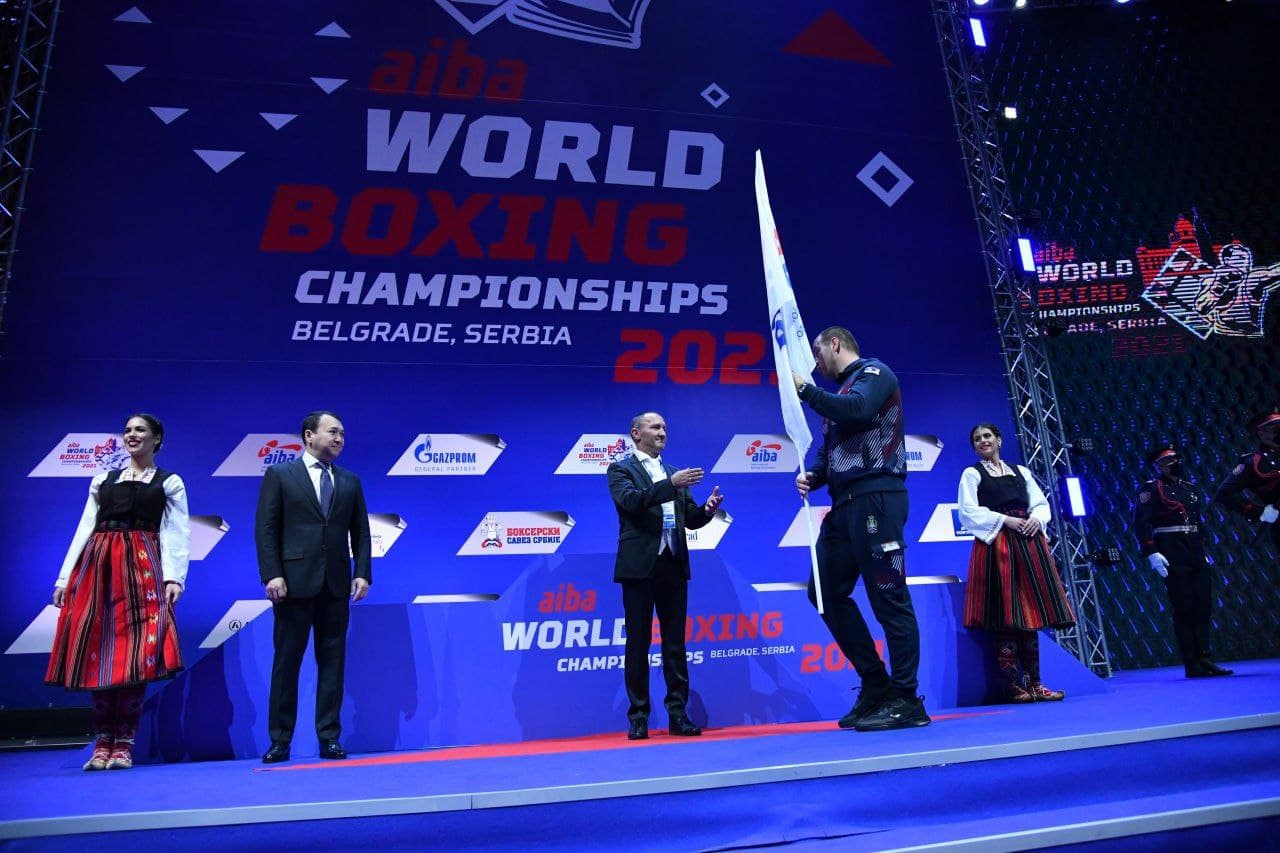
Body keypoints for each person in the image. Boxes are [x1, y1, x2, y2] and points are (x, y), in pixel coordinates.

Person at [793, 327, 928, 732]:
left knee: (889, 597)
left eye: (817, 352)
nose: (815, 362)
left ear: (835, 344)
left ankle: (907, 699)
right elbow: (833, 446)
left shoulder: (874, 374)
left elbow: (857, 411)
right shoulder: (841, 392)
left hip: (878, 499)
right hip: (844, 505)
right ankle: (876, 684)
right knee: (824, 593)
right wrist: (815, 475)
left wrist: (806, 391)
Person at [46, 413, 189, 771]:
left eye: (140, 430)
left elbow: (176, 532)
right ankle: (101, 743)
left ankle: (124, 742)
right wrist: (64, 579)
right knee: (101, 651)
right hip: (99, 570)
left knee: (135, 655)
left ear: (157, 438)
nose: (131, 435)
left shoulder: (168, 481)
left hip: (142, 570)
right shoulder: (103, 480)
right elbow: (84, 528)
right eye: (127, 430)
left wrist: (174, 578)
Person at [255, 411, 372, 763]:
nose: (339, 438)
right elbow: (266, 529)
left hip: (335, 585)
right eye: (333, 432)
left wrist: (362, 572)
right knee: (286, 663)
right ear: (309, 435)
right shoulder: (280, 475)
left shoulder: (350, 481)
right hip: (292, 585)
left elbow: (361, 533)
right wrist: (271, 574)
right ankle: (280, 741)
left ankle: (329, 738)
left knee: (333, 664)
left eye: (342, 434)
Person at [607, 412, 724, 741]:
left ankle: (678, 714)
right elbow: (631, 502)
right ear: (636, 433)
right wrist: (671, 485)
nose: (662, 433)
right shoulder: (620, 469)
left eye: (665, 428)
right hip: (639, 566)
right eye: (655, 427)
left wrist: (707, 511)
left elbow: (690, 519)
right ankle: (638, 717)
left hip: (673, 564)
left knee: (675, 643)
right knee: (638, 642)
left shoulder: (674, 473)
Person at [957, 424, 1075, 702]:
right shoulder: (972, 474)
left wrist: (1036, 519)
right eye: (977, 439)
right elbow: (967, 511)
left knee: (1030, 615)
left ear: (999, 440)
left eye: (987, 436)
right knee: (1006, 617)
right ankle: (1013, 687)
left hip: (1028, 544)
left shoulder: (1021, 471)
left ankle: (1036, 685)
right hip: (998, 547)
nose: (983, 441)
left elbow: (1040, 504)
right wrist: (1005, 520)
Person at [1134, 445, 1232, 678]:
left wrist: (1202, 549)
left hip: (1194, 550)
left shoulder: (1190, 488)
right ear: (1158, 466)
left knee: (1203, 605)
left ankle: (1205, 657)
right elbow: (1140, 522)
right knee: (1184, 605)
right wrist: (1151, 552)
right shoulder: (1152, 489)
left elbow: (1197, 521)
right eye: (1167, 461)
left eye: (1175, 459)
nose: (1173, 463)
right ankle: (1192, 662)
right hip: (1171, 550)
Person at [1215, 411, 1280, 550]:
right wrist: (1260, 512)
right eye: (1276, 428)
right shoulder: (1254, 462)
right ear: (1261, 433)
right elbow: (1224, 493)